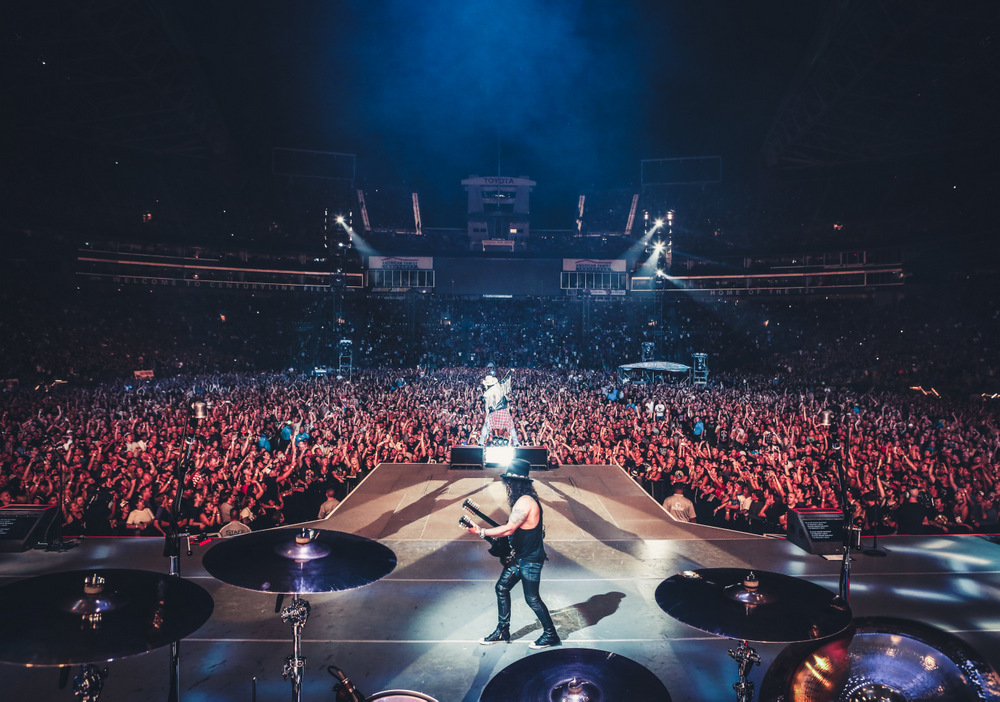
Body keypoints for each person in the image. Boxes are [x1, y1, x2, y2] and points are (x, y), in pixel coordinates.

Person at [466, 459, 559, 649]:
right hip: (520, 557)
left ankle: (551, 635)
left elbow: (509, 529)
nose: (507, 485)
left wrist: (481, 531)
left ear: (516, 483)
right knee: (502, 588)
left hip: (530, 560)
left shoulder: (525, 502)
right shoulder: (523, 500)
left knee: (532, 599)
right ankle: (503, 631)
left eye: (509, 482)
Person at [478, 367, 519, 447]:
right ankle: (516, 442)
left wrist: (486, 417)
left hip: (493, 413)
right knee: (510, 426)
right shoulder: (499, 386)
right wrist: (510, 372)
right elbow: (505, 380)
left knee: (487, 425)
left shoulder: (486, 394)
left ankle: (481, 442)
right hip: (503, 411)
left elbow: (487, 407)